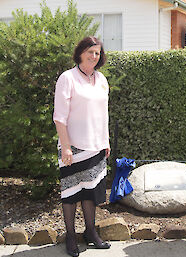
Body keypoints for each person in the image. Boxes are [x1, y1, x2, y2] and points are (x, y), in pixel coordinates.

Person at [53, 36, 111, 257]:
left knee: (91, 192)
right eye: (90, 52)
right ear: (80, 53)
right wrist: (66, 147)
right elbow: (59, 117)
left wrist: (105, 141)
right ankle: (70, 236)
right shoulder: (67, 78)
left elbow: (104, 114)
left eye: (97, 53)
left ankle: (90, 233)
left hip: (96, 146)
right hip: (73, 146)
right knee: (70, 193)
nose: (94, 56)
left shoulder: (102, 79)